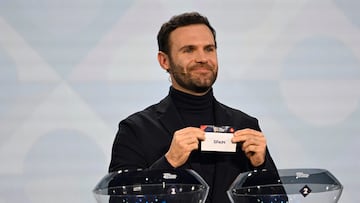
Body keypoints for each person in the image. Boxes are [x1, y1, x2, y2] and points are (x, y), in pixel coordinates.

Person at [109, 12, 279, 202]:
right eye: (189, 50)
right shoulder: (135, 130)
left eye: (209, 49)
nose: (202, 58)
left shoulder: (245, 125)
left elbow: (278, 199)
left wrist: (260, 167)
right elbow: (119, 199)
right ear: (164, 61)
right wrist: (168, 163)